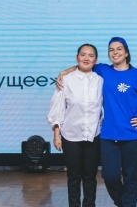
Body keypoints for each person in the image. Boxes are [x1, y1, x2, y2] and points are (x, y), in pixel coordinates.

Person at [58, 37, 137, 207]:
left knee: (131, 177)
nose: (115, 53)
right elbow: (84, 65)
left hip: (133, 136)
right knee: (109, 176)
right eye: (111, 50)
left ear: (126, 53)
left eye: (119, 49)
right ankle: (123, 203)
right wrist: (63, 73)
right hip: (108, 135)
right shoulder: (104, 70)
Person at [48, 44, 104, 207]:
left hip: (93, 135)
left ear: (96, 60)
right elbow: (57, 109)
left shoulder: (100, 80)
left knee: (90, 176)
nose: (86, 58)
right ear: (77, 57)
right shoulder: (66, 80)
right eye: (83, 54)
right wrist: (56, 135)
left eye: (91, 55)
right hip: (70, 136)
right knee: (73, 177)